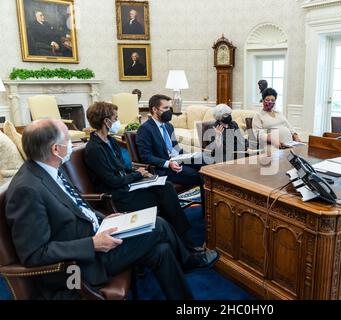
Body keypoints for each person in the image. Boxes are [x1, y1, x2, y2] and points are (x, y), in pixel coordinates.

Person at [5, 119, 219, 299]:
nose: (70, 145)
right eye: (68, 141)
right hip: (78, 265)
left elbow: (78, 206)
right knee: (158, 225)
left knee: (161, 250)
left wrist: (105, 218)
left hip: (97, 235)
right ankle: (189, 261)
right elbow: (34, 254)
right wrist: (92, 244)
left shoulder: (50, 168)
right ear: (55, 149)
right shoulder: (27, 190)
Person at [84, 102, 200, 250]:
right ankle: (184, 244)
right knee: (165, 198)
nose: (117, 121)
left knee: (166, 187)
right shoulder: (94, 149)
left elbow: (122, 167)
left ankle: (181, 240)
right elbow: (113, 181)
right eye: (115, 118)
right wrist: (138, 174)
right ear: (106, 121)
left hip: (127, 186)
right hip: (117, 195)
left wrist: (140, 173)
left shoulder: (111, 141)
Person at [136, 94, 205, 204]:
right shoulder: (145, 129)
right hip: (164, 168)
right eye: (166, 108)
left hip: (178, 160)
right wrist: (168, 164)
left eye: (169, 108)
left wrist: (192, 156)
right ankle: (207, 213)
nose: (169, 111)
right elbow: (145, 156)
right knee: (200, 175)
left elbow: (176, 148)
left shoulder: (168, 126)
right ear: (154, 109)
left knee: (206, 163)